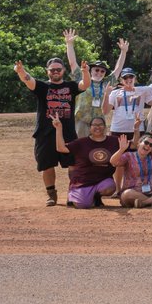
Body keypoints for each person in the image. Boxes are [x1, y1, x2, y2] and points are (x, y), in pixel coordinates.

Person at [14, 56, 91, 206]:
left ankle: (74, 193)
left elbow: (85, 84)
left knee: (73, 164)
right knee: (47, 164)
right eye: (52, 70)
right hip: (45, 132)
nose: (55, 72)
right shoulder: (43, 87)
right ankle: (51, 194)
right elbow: (28, 80)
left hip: (67, 132)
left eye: (58, 69)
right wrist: (21, 71)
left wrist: (85, 72)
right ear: (47, 71)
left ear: (63, 70)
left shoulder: (70, 86)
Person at [63, 31, 129, 137]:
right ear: (91, 70)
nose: (99, 73)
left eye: (102, 71)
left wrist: (123, 52)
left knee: (98, 150)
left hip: (99, 122)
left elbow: (118, 69)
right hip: (81, 120)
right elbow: (72, 63)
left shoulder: (106, 83)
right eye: (96, 70)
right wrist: (69, 44)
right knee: (81, 147)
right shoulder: (82, 78)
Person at [51, 114, 117, 208]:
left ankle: (96, 196)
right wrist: (58, 128)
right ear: (90, 128)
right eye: (94, 125)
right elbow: (61, 148)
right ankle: (73, 194)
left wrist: (136, 129)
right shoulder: (81, 142)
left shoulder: (113, 141)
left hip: (102, 180)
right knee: (83, 205)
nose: (97, 127)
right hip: (83, 181)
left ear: (105, 127)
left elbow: (134, 145)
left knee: (110, 187)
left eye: (100, 124)